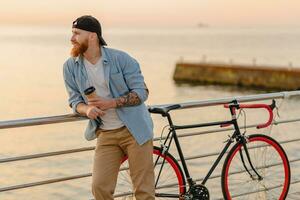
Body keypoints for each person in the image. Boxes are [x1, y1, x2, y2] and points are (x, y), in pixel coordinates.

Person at [63, 15, 155, 200]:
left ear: (92, 36)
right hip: (105, 134)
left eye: (76, 33)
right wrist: (86, 110)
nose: (72, 38)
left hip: (134, 131)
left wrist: (111, 102)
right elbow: (74, 101)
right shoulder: (70, 67)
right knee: (100, 188)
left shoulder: (121, 59)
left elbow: (142, 92)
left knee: (143, 192)